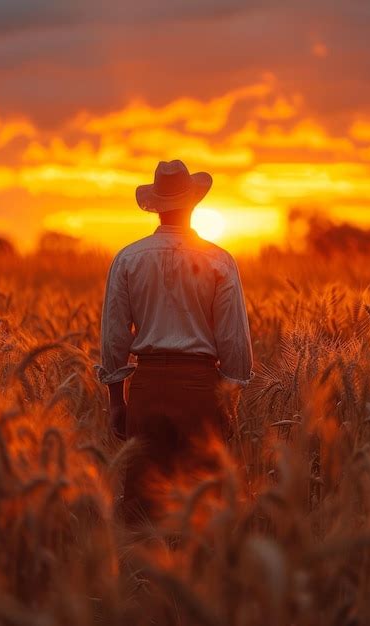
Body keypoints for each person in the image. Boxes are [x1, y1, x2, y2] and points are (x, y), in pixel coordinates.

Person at [97, 159, 253, 525]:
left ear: (155, 205)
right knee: (203, 505)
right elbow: (233, 342)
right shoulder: (219, 261)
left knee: (139, 503)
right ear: (193, 203)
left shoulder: (127, 259)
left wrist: (117, 403)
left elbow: (114, 338)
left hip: (147, 388)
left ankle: (137, 579)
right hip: (200, 388)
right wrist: (227, 403)